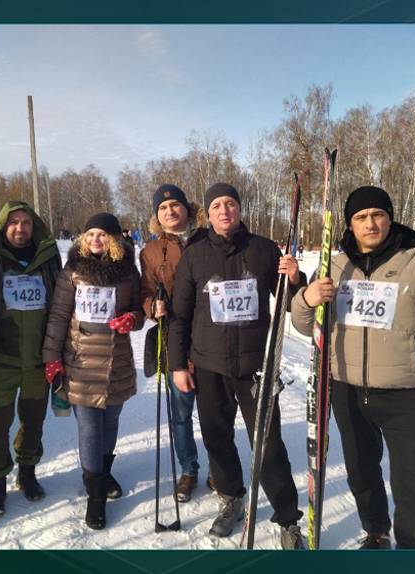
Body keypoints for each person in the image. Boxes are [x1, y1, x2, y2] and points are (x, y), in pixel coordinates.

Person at [289, 185, 415, 549]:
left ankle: (412, 549)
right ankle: (376, 531)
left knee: (412, 484)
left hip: (402, 394)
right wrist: (306, 297)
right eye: (361, 217)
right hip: (345, 388)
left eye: (378, 214)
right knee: (361, 474)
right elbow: (306, 325)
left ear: (390, 218)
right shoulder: (335, 263)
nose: (370, 223)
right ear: (350, 224)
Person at [168, 182, 307, 550]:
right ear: (209, 214)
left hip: (254, 366)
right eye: (217, 205)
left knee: (268, 445)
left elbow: (292, 303)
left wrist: (295, 279)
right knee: (217, 438)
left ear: (240, 210)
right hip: (209, 365)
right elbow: (179, 317)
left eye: (230, 203)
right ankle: (231, 499)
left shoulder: (262, 249)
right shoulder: (195, 255)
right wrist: (177, 365)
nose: (224, 210)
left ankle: (288, 518)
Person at [42, 212, 145, 530]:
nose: (95, 240)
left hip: (117, 361)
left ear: (114, 240)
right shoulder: (72, 271)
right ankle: (95, 495)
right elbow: (59, 315)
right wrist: (51, 358)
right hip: (80, 362)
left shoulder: (128, 272)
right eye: (90, 235)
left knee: (110, 423)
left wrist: (132, 320)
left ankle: (102, 470)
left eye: (102, 234)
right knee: (89, 428)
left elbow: (138, 310)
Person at [0, 201, 62, 517]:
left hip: (36, 360)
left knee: (34, 420)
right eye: (14, 222)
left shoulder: (47, 258)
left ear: (35, 227)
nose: (21, 228)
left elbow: (60, 305)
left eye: (27, 223)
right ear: (3, 226)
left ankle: (28, 473)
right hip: (1, 360)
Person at [139, 184, 207, 502]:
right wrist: (153, 305)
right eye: (163, 209)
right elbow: (145, 291)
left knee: (214, 413)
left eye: (175, 205)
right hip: (174, 343)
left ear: (188, 209)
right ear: (157, 216)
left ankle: (221, 469)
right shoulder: (151, 252)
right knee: (180, 414)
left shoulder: (209, 239)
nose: (170, 212)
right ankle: (189, 469)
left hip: (211, 341)